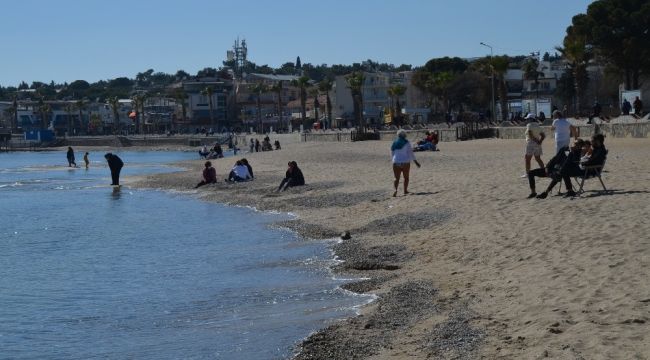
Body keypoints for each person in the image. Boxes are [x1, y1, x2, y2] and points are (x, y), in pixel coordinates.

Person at [537, 135, 606, 199]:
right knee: (563, 171)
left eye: (593, 141)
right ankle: (556, 191)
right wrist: (583, 159)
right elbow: (590, 159)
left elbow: (593, 161)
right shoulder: (597, 149)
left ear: (598, 141)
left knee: (563, 171)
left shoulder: (600, 151)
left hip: (589, 170)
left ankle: (550, 191)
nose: (591, 142)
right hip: (585, 168)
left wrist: (583, 162)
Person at [391, 130, 421, 197]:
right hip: (405, 162)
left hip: (396, 162)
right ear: (404, 135)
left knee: (396, 178)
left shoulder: (394, 142)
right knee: (406, 177)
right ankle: (405, 190)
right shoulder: (407, 142)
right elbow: (411, 153)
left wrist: (394, 160)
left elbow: (392, 153)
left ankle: (395, 190)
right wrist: (416, 162)